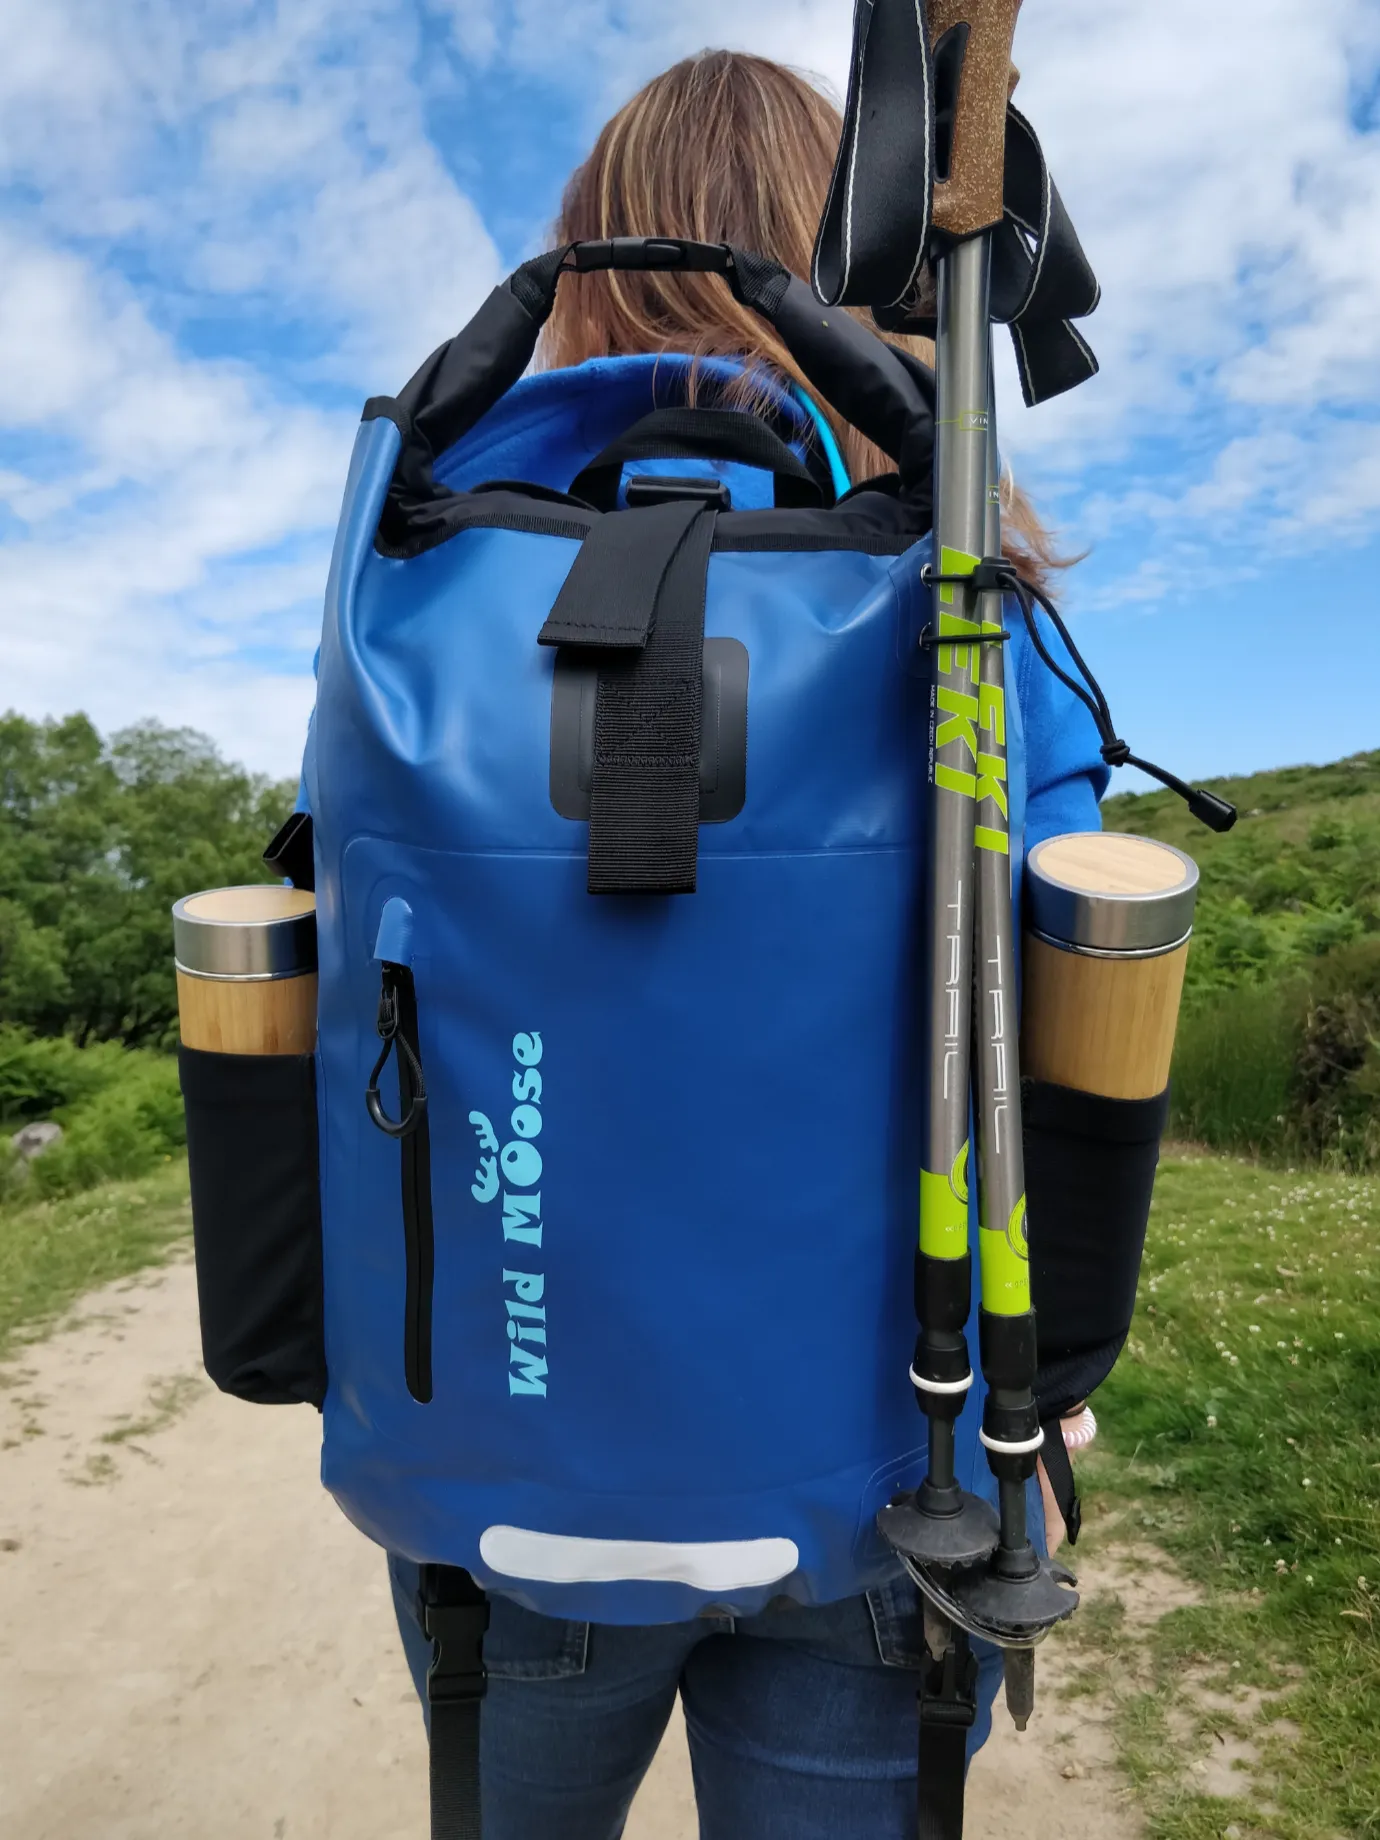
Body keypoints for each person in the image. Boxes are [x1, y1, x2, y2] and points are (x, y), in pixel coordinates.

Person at [387, 48, 1104, 1840]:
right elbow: (1081, 1009)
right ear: (852, 261)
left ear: (588, 272)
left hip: (517, 1487)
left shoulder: (439, 607)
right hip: (897, 1466)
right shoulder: (973, 615)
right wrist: (1059, 1368)